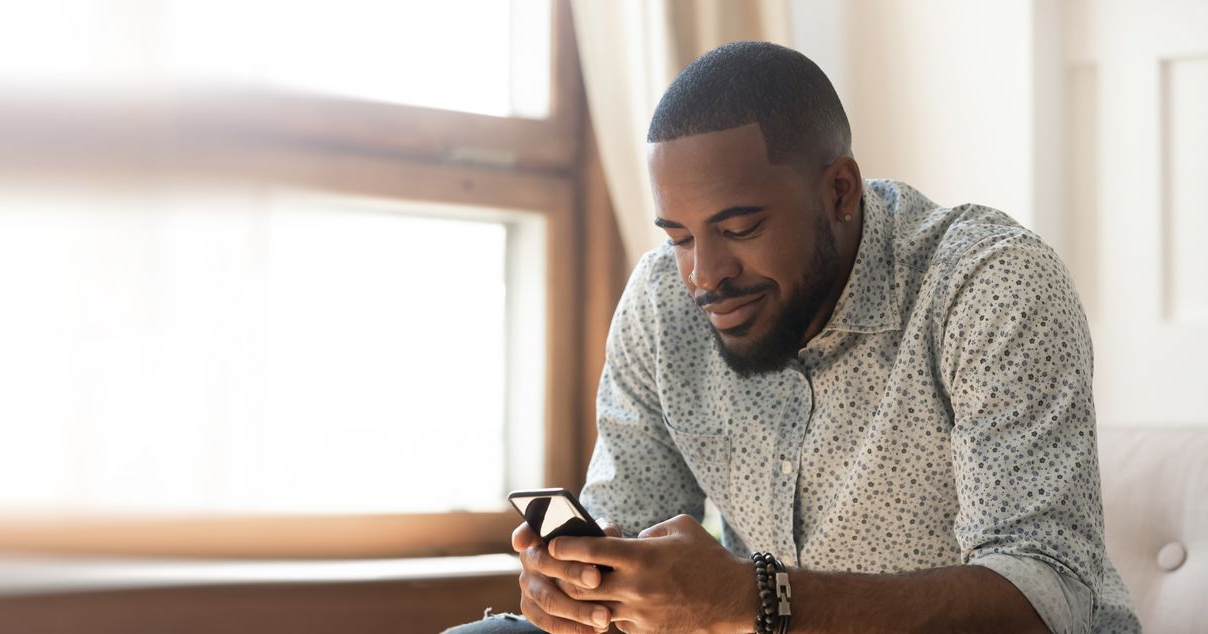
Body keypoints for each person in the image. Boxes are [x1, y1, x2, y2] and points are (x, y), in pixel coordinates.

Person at [444, 41, 1138, 634]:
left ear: (839, 191)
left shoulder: (988, 283)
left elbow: (1050, 596)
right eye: (680, 237)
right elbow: (626, 524)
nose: (704, 275)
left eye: (740, 229)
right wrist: (581, 593)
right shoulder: (664, 300)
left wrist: (755, 600)